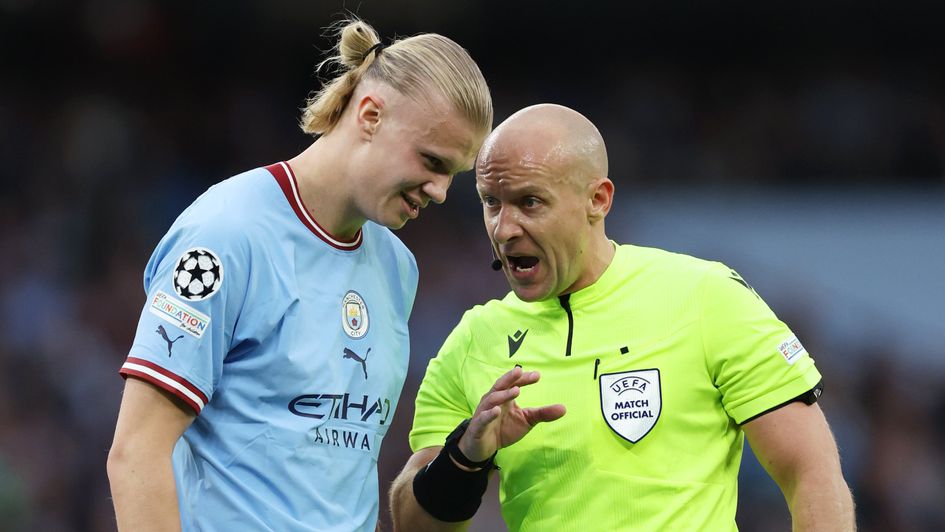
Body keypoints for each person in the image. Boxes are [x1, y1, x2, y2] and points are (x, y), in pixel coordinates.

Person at [390, 104, 855, 531]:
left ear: (598, 200)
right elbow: (413, 524)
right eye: (492, 202)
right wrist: (465, 458)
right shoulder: (474, 338)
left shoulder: (704, 296)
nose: (504, 229)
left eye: (530, 202)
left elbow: (811, 472)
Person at [106, 17, 492, 532]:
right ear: (371, 115)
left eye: (454, 174)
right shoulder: (225, 235)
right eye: (431, 161)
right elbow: (136, 453)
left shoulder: (398, 268)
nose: (441, 191)